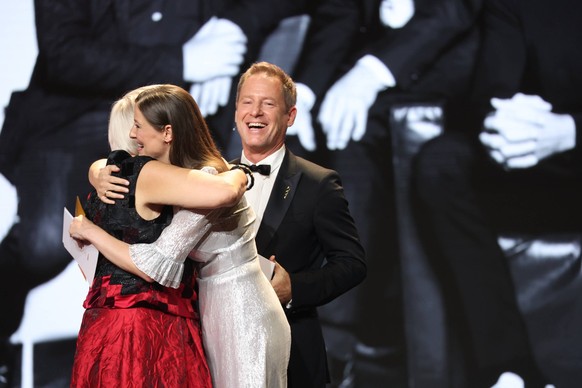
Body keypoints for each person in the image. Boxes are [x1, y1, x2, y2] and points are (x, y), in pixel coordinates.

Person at [0, 1, 311, 383]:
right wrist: (184, 62)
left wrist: (229, 34)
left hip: (180, 318)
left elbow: (169, 248)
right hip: (74, 113)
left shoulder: (186, 165)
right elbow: (64, 51)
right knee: (43, 243)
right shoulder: (133, 162)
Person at [288, 0, 482, 383]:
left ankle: (340, 346)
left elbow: (454, 11)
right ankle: (321, 345)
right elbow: (340, 16)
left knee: (350, 151)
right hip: (354, 81)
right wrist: (304, 94)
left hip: (443, 76)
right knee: (301, 148)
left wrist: (369, 74)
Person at [72, 84, 291, 387]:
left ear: (168, 133)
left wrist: (89, 230)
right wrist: (97, 170)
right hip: (210, 306)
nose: (132, 136)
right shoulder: (181, 178)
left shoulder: (209, 182)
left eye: (138, 126)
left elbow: (155, 263)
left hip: (240, 310)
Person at [413, 0, 582, 386]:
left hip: (569, 144)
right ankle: (512, 370)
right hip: (549, 177)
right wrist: (506, 125)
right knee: (441, 163)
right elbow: (491, 91)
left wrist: (570, 131)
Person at [234, 61, 367, 387]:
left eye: (268, 104)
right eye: (248, 102)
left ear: (290, 116)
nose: (256, 113)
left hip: (290, 351)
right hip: (214, 349)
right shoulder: (208, 179)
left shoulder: (318, 183)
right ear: (235, 111)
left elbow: (352, 264)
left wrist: (295, 287)